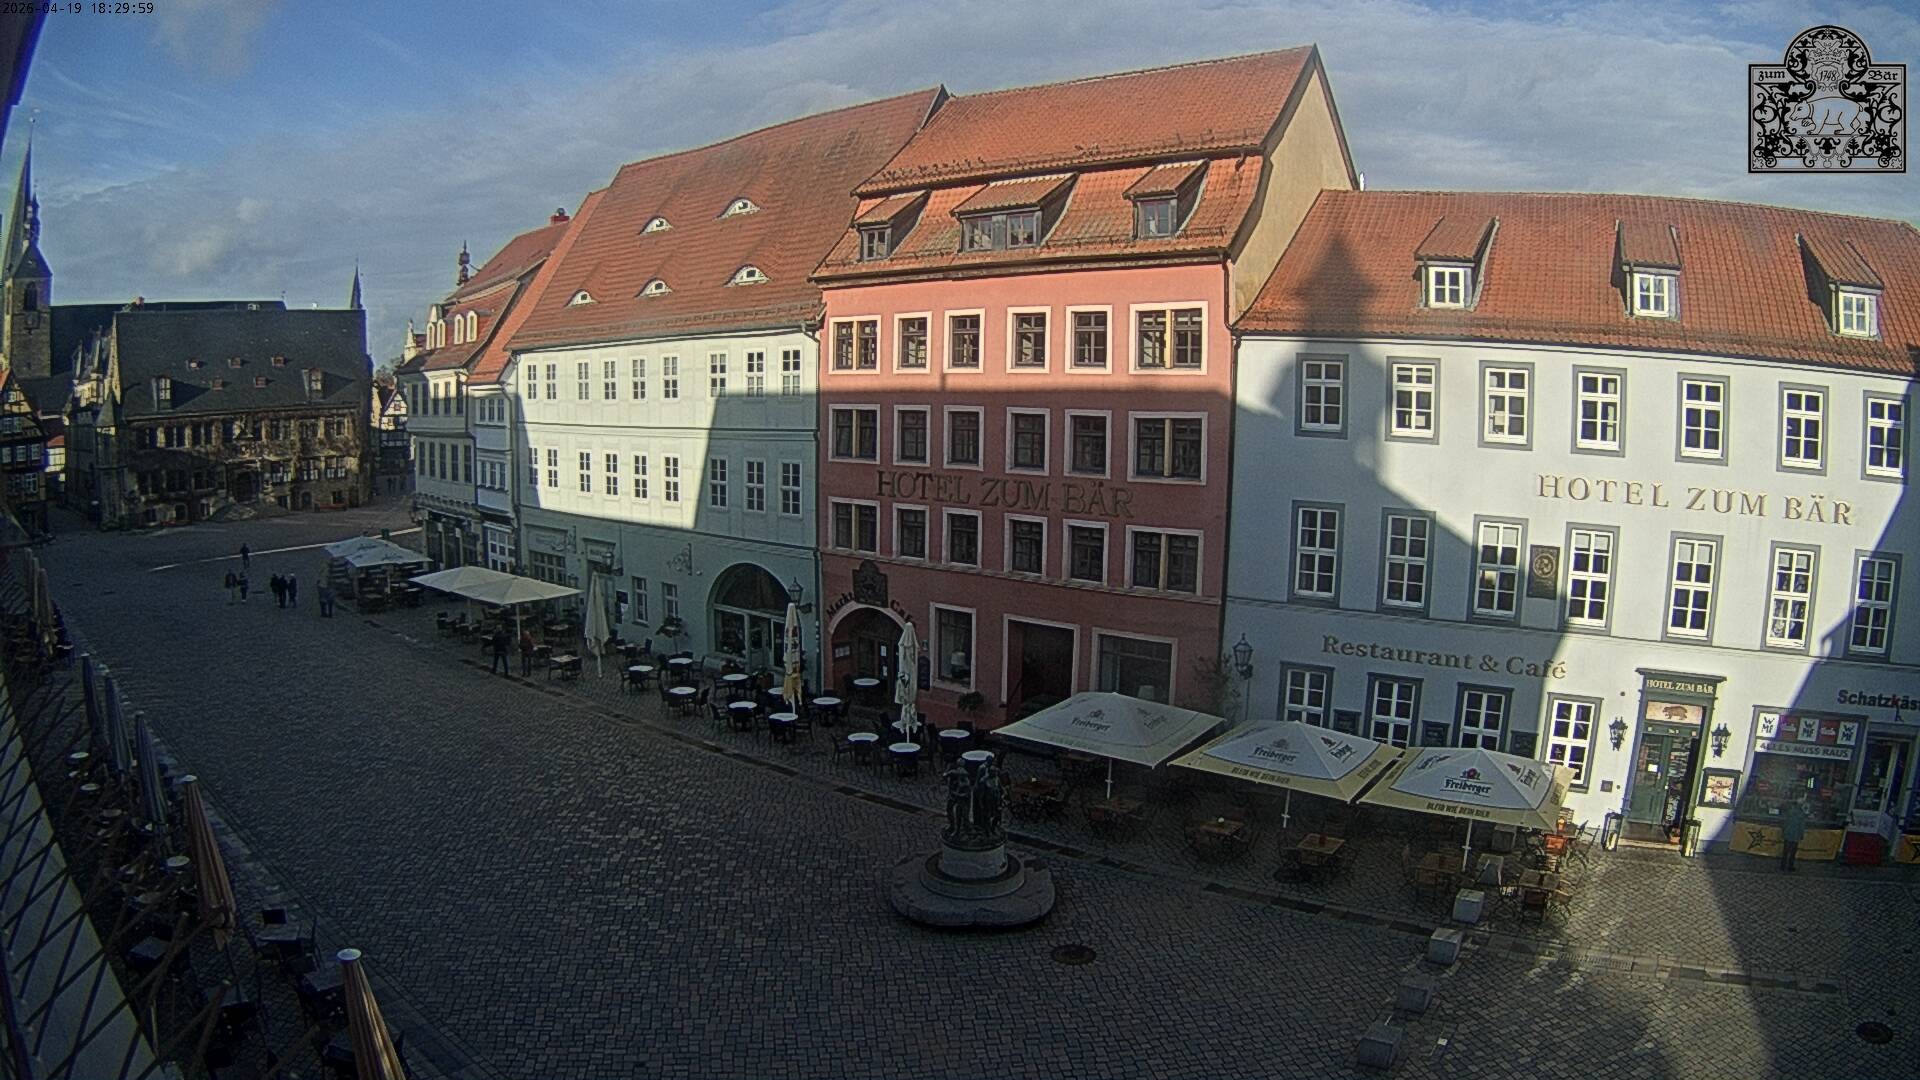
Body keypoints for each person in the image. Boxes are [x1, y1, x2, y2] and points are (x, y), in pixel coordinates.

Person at [1779, 795, 1808, 872]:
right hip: (1796, 835)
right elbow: (1802, 826)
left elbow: (1785, 823)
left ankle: (1783, 865)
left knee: (1785, 851)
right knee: (1793, 852)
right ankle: (1790, 866)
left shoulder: (1790, 812)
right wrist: (1801, 835)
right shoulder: (1801, 814)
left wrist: (1783, 831)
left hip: (1788, 833)